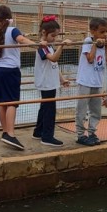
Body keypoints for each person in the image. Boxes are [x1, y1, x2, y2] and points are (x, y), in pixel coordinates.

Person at [0, 5, 39, 150]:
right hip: (10, 70)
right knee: (12, 102)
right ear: (10, 17)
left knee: (1, 102)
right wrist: (38, 45)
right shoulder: (12, 30)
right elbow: (21, 39)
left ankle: (4, 132)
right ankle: (11, 133)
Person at [75, 18, 107, 146]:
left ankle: (92, 132)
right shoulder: (88, 41)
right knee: (82, 109)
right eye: (102, 32)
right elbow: (90, 59)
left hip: (97, 82)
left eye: (106, 32)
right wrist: (95, 45)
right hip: (86, 81)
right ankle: (81, 134)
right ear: (93, 31)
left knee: (96, 110)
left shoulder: (104, 44)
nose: (104, 35)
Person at [33, 16, 71, 147]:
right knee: (50, 109)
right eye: (53, 36)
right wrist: (61, 46)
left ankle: (38, 131)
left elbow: (55, 65)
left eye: (56, 36)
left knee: (45, 107)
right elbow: (53, 59)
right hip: (46, 83)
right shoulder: (42, 47)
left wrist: (62, 79)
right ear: (44, 33)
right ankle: (47, 136)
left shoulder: (49, 46)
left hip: (51, 81)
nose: (55, 38)